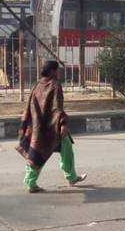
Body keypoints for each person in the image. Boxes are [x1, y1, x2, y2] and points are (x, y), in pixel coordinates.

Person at [16, 60, 87, 192]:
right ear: (53, 71)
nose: (59, 72)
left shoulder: (38, 84)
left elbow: (32, 105)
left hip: (38, 125)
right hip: (51, 127)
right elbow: (57, 107)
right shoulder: (55, 85)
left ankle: (71, 177)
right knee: (39, 153)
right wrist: (62, 124)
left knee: (65, 146)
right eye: (57, 69)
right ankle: (31, 182)